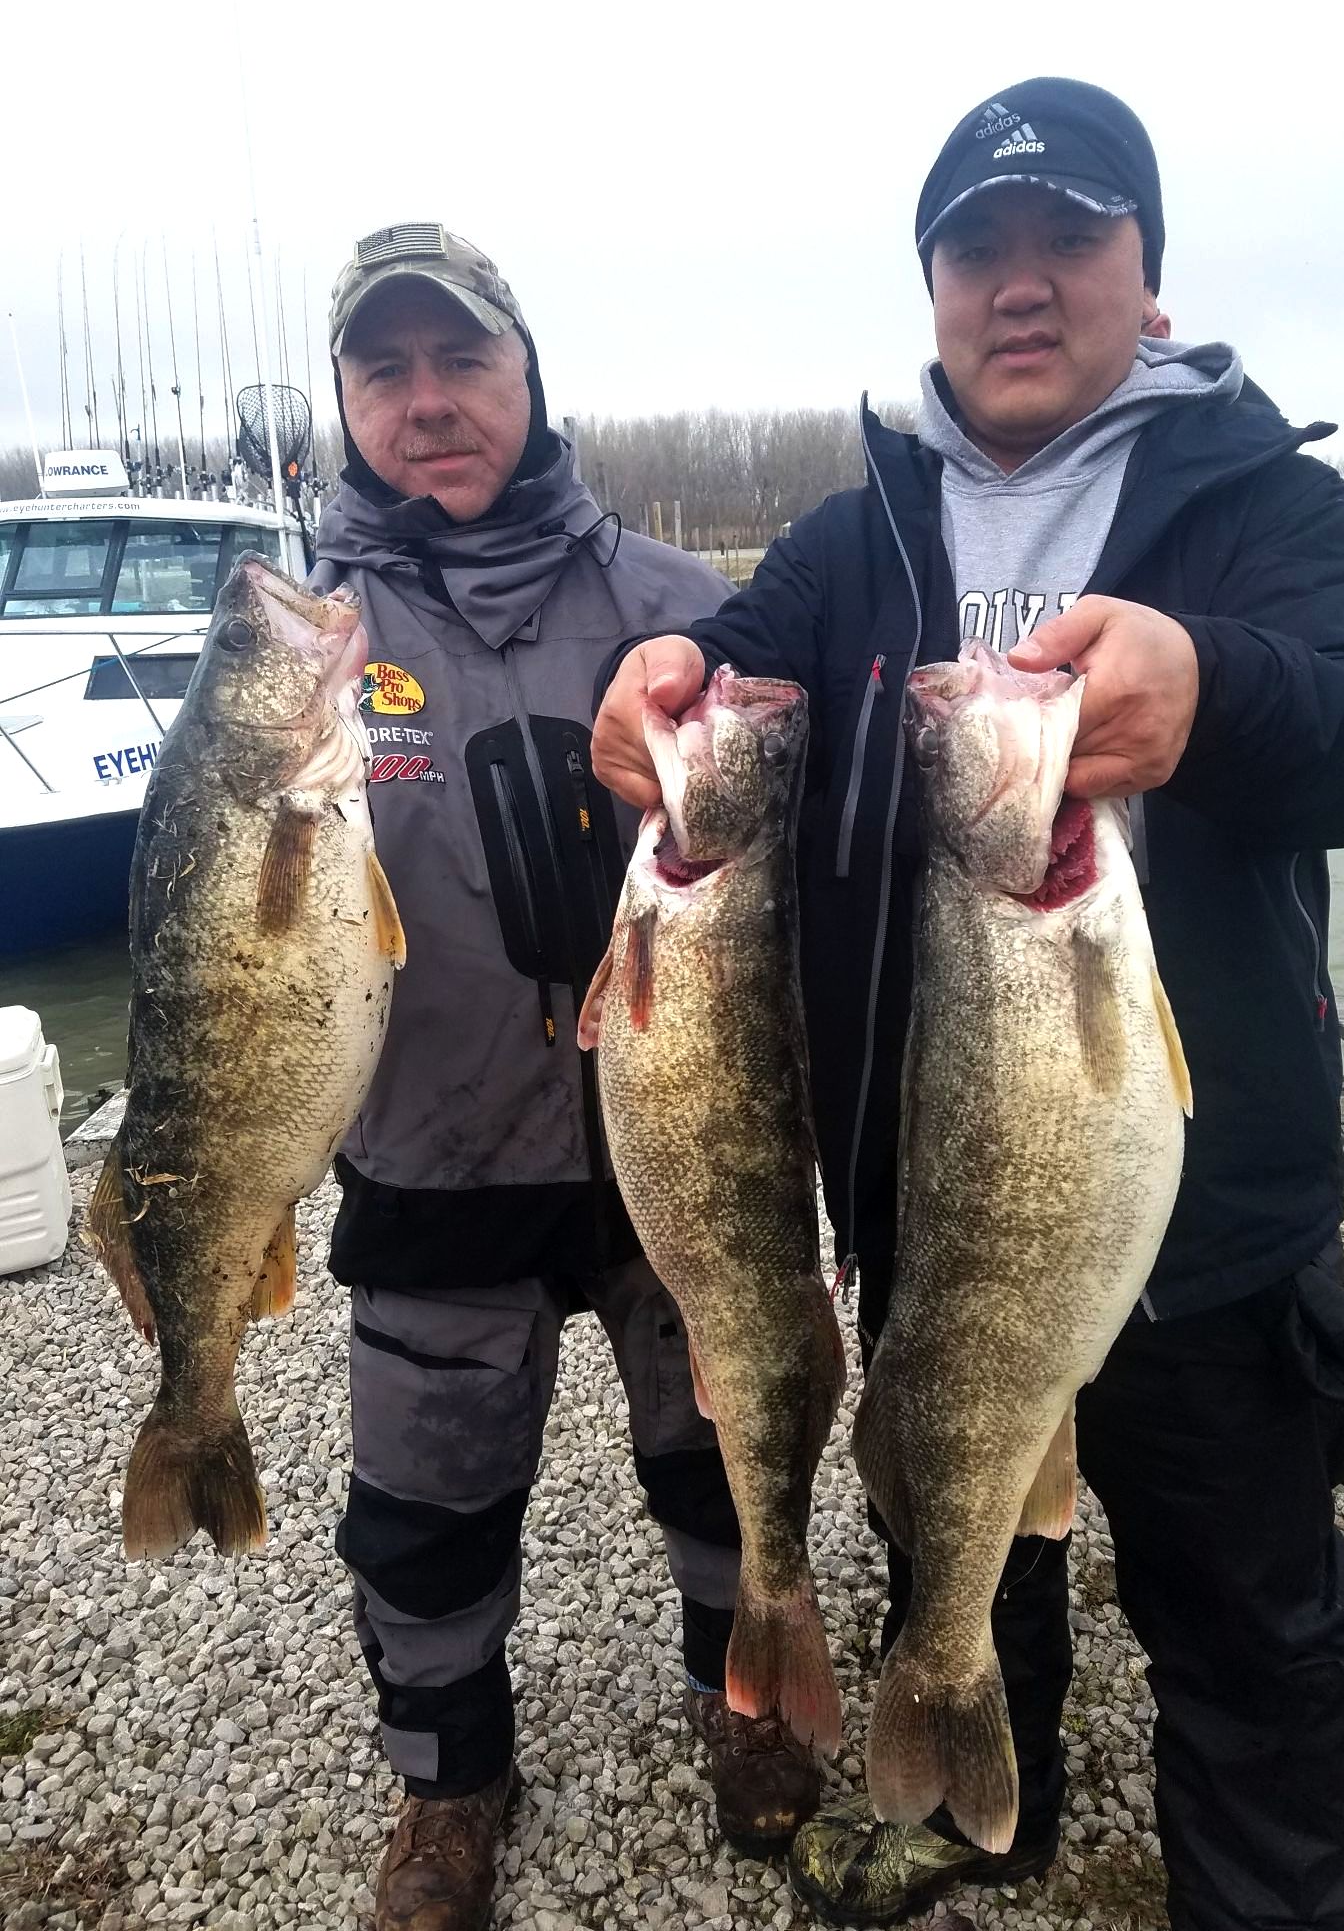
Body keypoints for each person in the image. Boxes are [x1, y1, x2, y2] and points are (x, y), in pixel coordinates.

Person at [593, 81, 1344, 1930]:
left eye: (1073, 240)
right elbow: (719, 681)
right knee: (963, 1532)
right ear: (933, 288)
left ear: (1151, 276)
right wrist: (646, 690)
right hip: (929, 1193)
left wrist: (1214, 688)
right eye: (982, 249)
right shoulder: (854, 531)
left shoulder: (1263, 499)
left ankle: (1274, 1897)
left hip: (1208, 1226)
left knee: (1254, 1632)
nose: (1024, 285)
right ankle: (986, 1785)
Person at [312, 224, 820, 1931]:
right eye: (385, 372)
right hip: (430, 1148)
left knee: (720, 1444)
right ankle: (450, 1783)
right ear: (347, 404)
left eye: (462, 362)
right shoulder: (307, 648)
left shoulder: (681, 609)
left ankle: (741, 1690)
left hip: (672, 1146)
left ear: (532, 384)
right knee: (425, 1497)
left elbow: (804, 868)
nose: (427, 403)